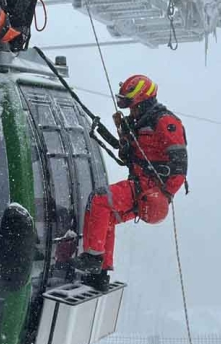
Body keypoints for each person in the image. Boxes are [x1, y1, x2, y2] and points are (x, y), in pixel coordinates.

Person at [70, 75, 189, 290]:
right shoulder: (137, 122)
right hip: (141, 185)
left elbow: (180, 167)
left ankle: (93, 258)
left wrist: (165, 195)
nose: (128, 110)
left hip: (149, 188)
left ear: (141, 99)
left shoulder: (164, 122)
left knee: (99, 200)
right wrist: (118, 139)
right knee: (106, 215)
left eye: (129, 103)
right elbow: (128, 156)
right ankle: (100, 273)